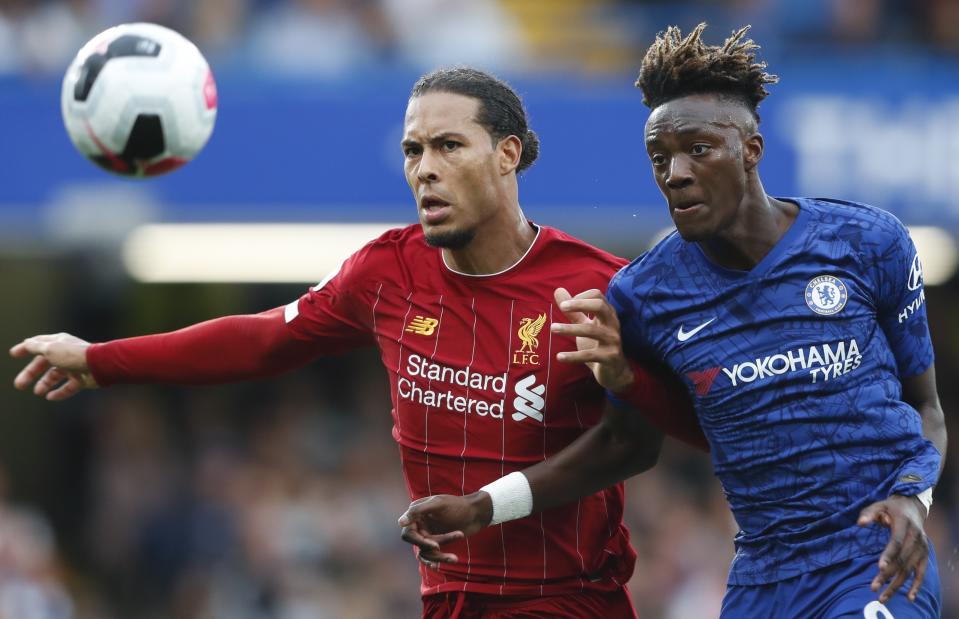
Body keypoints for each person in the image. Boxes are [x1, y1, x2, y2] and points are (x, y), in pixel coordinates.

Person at [10, 67, 704, 618]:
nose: (423, 168)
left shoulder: (594, 286)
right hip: (448, 599)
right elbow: (261, 341)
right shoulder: (387, 272)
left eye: (448, 145)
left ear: (507, 155)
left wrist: (496, 496)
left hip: (565, 599)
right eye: (412, 150)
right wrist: (101, 359)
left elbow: (641, 438)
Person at [398, 25, 947, 618]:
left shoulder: (866, 242)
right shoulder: (645, 296)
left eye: (698, 150)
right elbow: (623, 443)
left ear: (751, 150)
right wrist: (484, 506)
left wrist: (915, 498)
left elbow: (927, 408)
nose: (675, 172)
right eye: (660, 158)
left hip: (876, 558)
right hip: (765, 576)